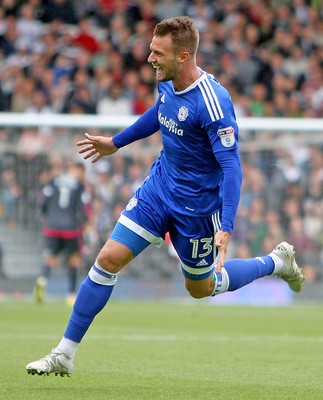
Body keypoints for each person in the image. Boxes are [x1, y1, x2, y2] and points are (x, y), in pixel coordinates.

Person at [26, 16, 305, 377]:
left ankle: (275, 262)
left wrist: (228, 224)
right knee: (109, 258)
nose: (149, 58)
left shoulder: (214, 103)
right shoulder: (167, 81)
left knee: (201, 288)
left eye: (158, 52)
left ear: (184, 56)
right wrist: (116, 142)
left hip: (198, 209)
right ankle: (64, 353)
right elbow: (160, 113)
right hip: (158, 190)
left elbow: (232, 167)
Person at [34, 161, 89, 304]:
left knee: (51, 258)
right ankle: (71, 294)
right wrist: (82, 223)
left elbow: (43, 202)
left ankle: (42, 280)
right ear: (76, 170)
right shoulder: (79, 185)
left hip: (52, 227)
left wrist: (47, 217)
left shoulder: (54, 181)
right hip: (70, 228)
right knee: (74, 259)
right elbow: (84, 210)